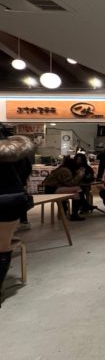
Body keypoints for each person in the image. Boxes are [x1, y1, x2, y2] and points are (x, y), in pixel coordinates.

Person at [0, 129, 34, 306]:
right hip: (9, 198)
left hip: (9, 199)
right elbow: (25, 173)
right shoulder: (19, 150)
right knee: (3, 245)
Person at [42, 156, 87, 221]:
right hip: (51, 189)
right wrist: (79, 175)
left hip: (54, 188)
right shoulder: (65, 170)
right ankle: (83, 206)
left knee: (76, 194)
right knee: (77, 188)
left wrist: (77, 174)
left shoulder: (64, 169)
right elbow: (70, 184)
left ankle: (74, 213)